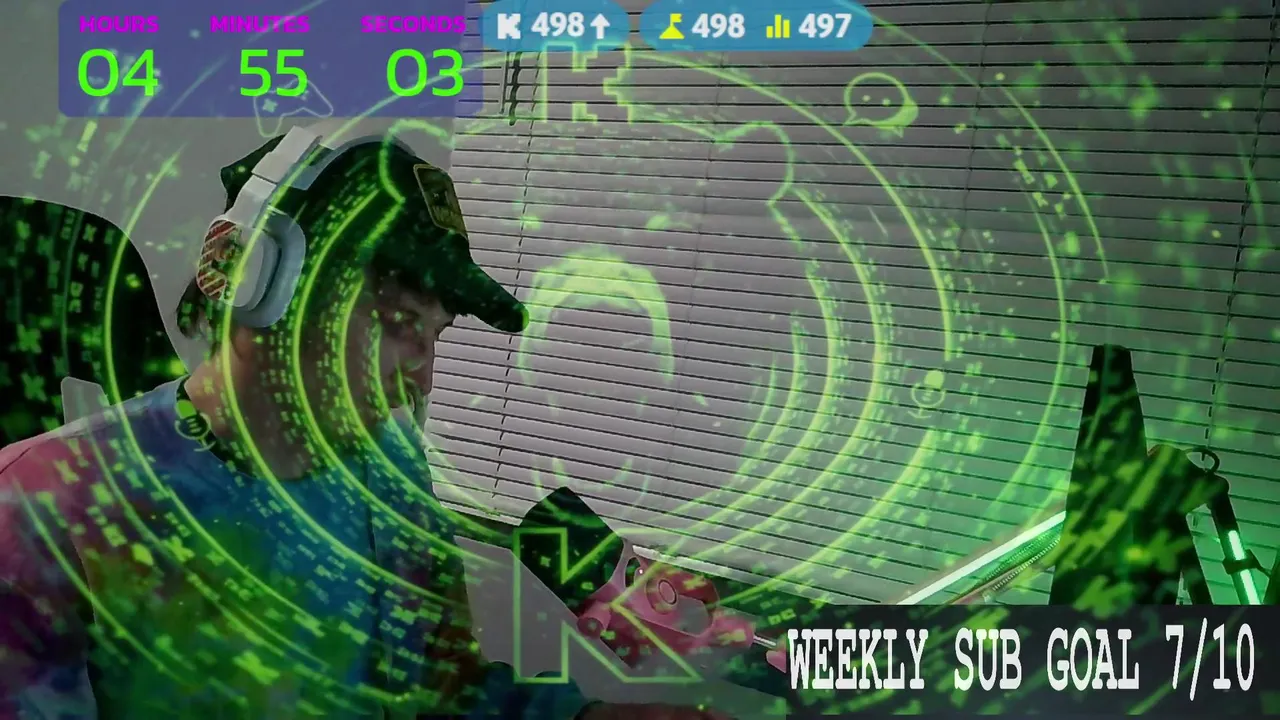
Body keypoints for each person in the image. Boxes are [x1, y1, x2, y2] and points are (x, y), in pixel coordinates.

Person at [0, 127, 731, 719]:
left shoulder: (391, 471)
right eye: (396, 321)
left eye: (435, 334)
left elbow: (445, 699)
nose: (421, 374)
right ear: (251, 274)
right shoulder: (40, 504)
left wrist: (587, 719)